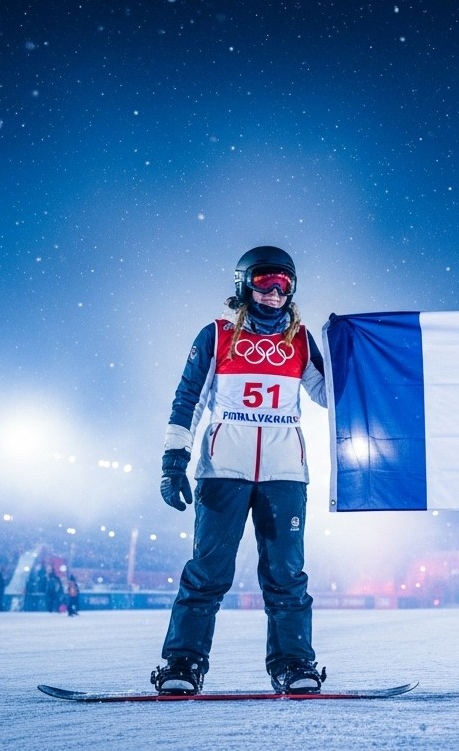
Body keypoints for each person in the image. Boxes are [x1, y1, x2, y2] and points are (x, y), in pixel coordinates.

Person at [152, 246, 328, 696]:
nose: (273, 293)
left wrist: (360, 360)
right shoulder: (216, 335)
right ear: (243, 284)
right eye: (264, 282)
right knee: (208, 572)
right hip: (222, 471)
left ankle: (293, 664)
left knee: (286, 575)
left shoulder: (302, 341)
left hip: (285, 475)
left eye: (284, 284)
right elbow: (187, 400)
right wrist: (175, 462)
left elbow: (330, 397)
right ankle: (182, 664)